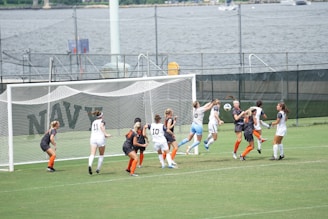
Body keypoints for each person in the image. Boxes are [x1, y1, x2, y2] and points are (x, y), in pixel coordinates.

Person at [88, 111, 111, 175]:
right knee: (101, 154)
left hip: (93, 139)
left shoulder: (93, 122)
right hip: (100, 139)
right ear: (101, 116)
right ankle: (98, 169)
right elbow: (101, 127)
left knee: (92, 154)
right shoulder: (102, 121)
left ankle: (90, 165)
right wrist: (105, 134)